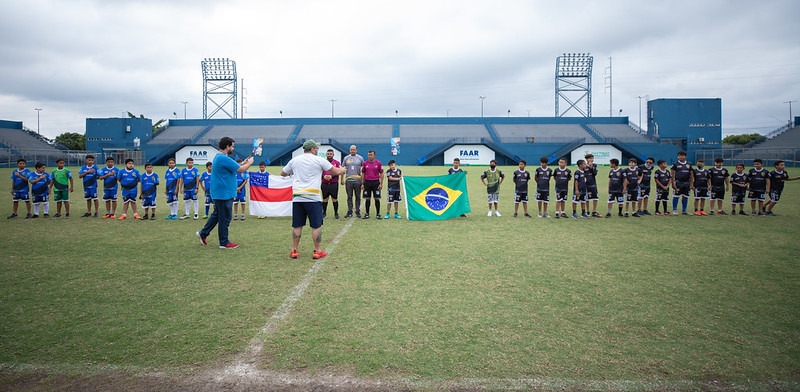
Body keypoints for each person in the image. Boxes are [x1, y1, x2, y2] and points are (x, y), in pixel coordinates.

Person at [280, 139, 346, 259]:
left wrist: (291, 173)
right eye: (316, 148)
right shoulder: (319, 160)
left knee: (297, 225)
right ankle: (317, 251)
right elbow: (335, 171)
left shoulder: (295, 160)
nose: (317, 150)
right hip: (313, 197)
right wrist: (343, 170)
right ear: (311, 149)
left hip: (298, 197)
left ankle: (294, 250)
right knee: (316, 226)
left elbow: (283, 173)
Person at [197, 137, 254, 249]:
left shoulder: (221, 157)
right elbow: (241, 170)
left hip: (220, 193)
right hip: (223, 194)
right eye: (232, 146)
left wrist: (244, 162)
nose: (233, 148)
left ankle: (203, 233)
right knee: (225, 218)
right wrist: (250, 163)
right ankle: (223, 242)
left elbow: (236, 166)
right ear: (227, 146)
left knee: (217, 215)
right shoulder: (223, 158)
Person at [341, 145, 364, 218]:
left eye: (354, 149)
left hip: (358, 180)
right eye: (351, 149)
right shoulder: (346, 158)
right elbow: (343, 169)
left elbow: (363, 170)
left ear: (356, 150)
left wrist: (363, 181)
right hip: (349, 180)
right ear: (349, 150)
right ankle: (349, 211)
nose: (352, 151)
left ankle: (357, 211)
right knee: (349, 197)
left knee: (358, 197)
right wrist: (342, 179)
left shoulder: (360, 158)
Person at [361, 150, 383, 219]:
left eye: (371, 155)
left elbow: (381, 173)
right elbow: (363, 173)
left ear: (374, 155)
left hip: (376, 182)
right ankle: (367, 213)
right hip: (367, 182)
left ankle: (378, 214)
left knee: (377, 198)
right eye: (369, 155)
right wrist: (362, 183)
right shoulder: (365, 163)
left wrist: (381, 183)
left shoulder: (378, 163)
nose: (370, 156)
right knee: (367, 198)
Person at [671, 151, 693, 215]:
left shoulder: (689, 164)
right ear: (678, 156)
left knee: (685, 196)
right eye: (679, 155)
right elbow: (672, 174)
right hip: (678, 183)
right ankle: (674, 210)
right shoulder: (675, 164)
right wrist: (673, 183)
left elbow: (691, 174)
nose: (681, 157)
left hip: (686, 183)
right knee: (676, 196)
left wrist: (691, 184)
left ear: (685, 156)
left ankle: (684, 210)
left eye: (682, 155)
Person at [321, 149, 341, 219]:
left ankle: (336, 213)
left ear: (333, 155)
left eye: (330, 154)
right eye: (328, 154)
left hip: (333, 183)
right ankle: (324, 213)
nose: (329, 155)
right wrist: (324, 176)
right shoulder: (322, 162)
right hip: (325, 183)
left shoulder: (337, 163)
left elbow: (339, 172)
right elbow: (319, 172)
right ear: (326, 154)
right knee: (325, 199)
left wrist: (331, 176)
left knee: (334, 199)